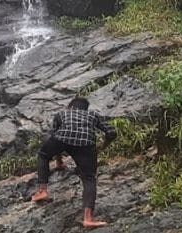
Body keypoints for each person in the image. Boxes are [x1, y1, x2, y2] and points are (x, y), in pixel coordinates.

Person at [31, 97, 117, 229]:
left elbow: (55, 134)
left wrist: (58, 162)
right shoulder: (93, 115)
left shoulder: (62, 114)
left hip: (62, 138)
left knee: (43, 156)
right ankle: (88, 219)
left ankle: (42, 191)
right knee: (89, 179)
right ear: (85, 109)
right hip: (85, 144)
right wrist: (103, 146)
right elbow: (111, 132)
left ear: (70, 107)